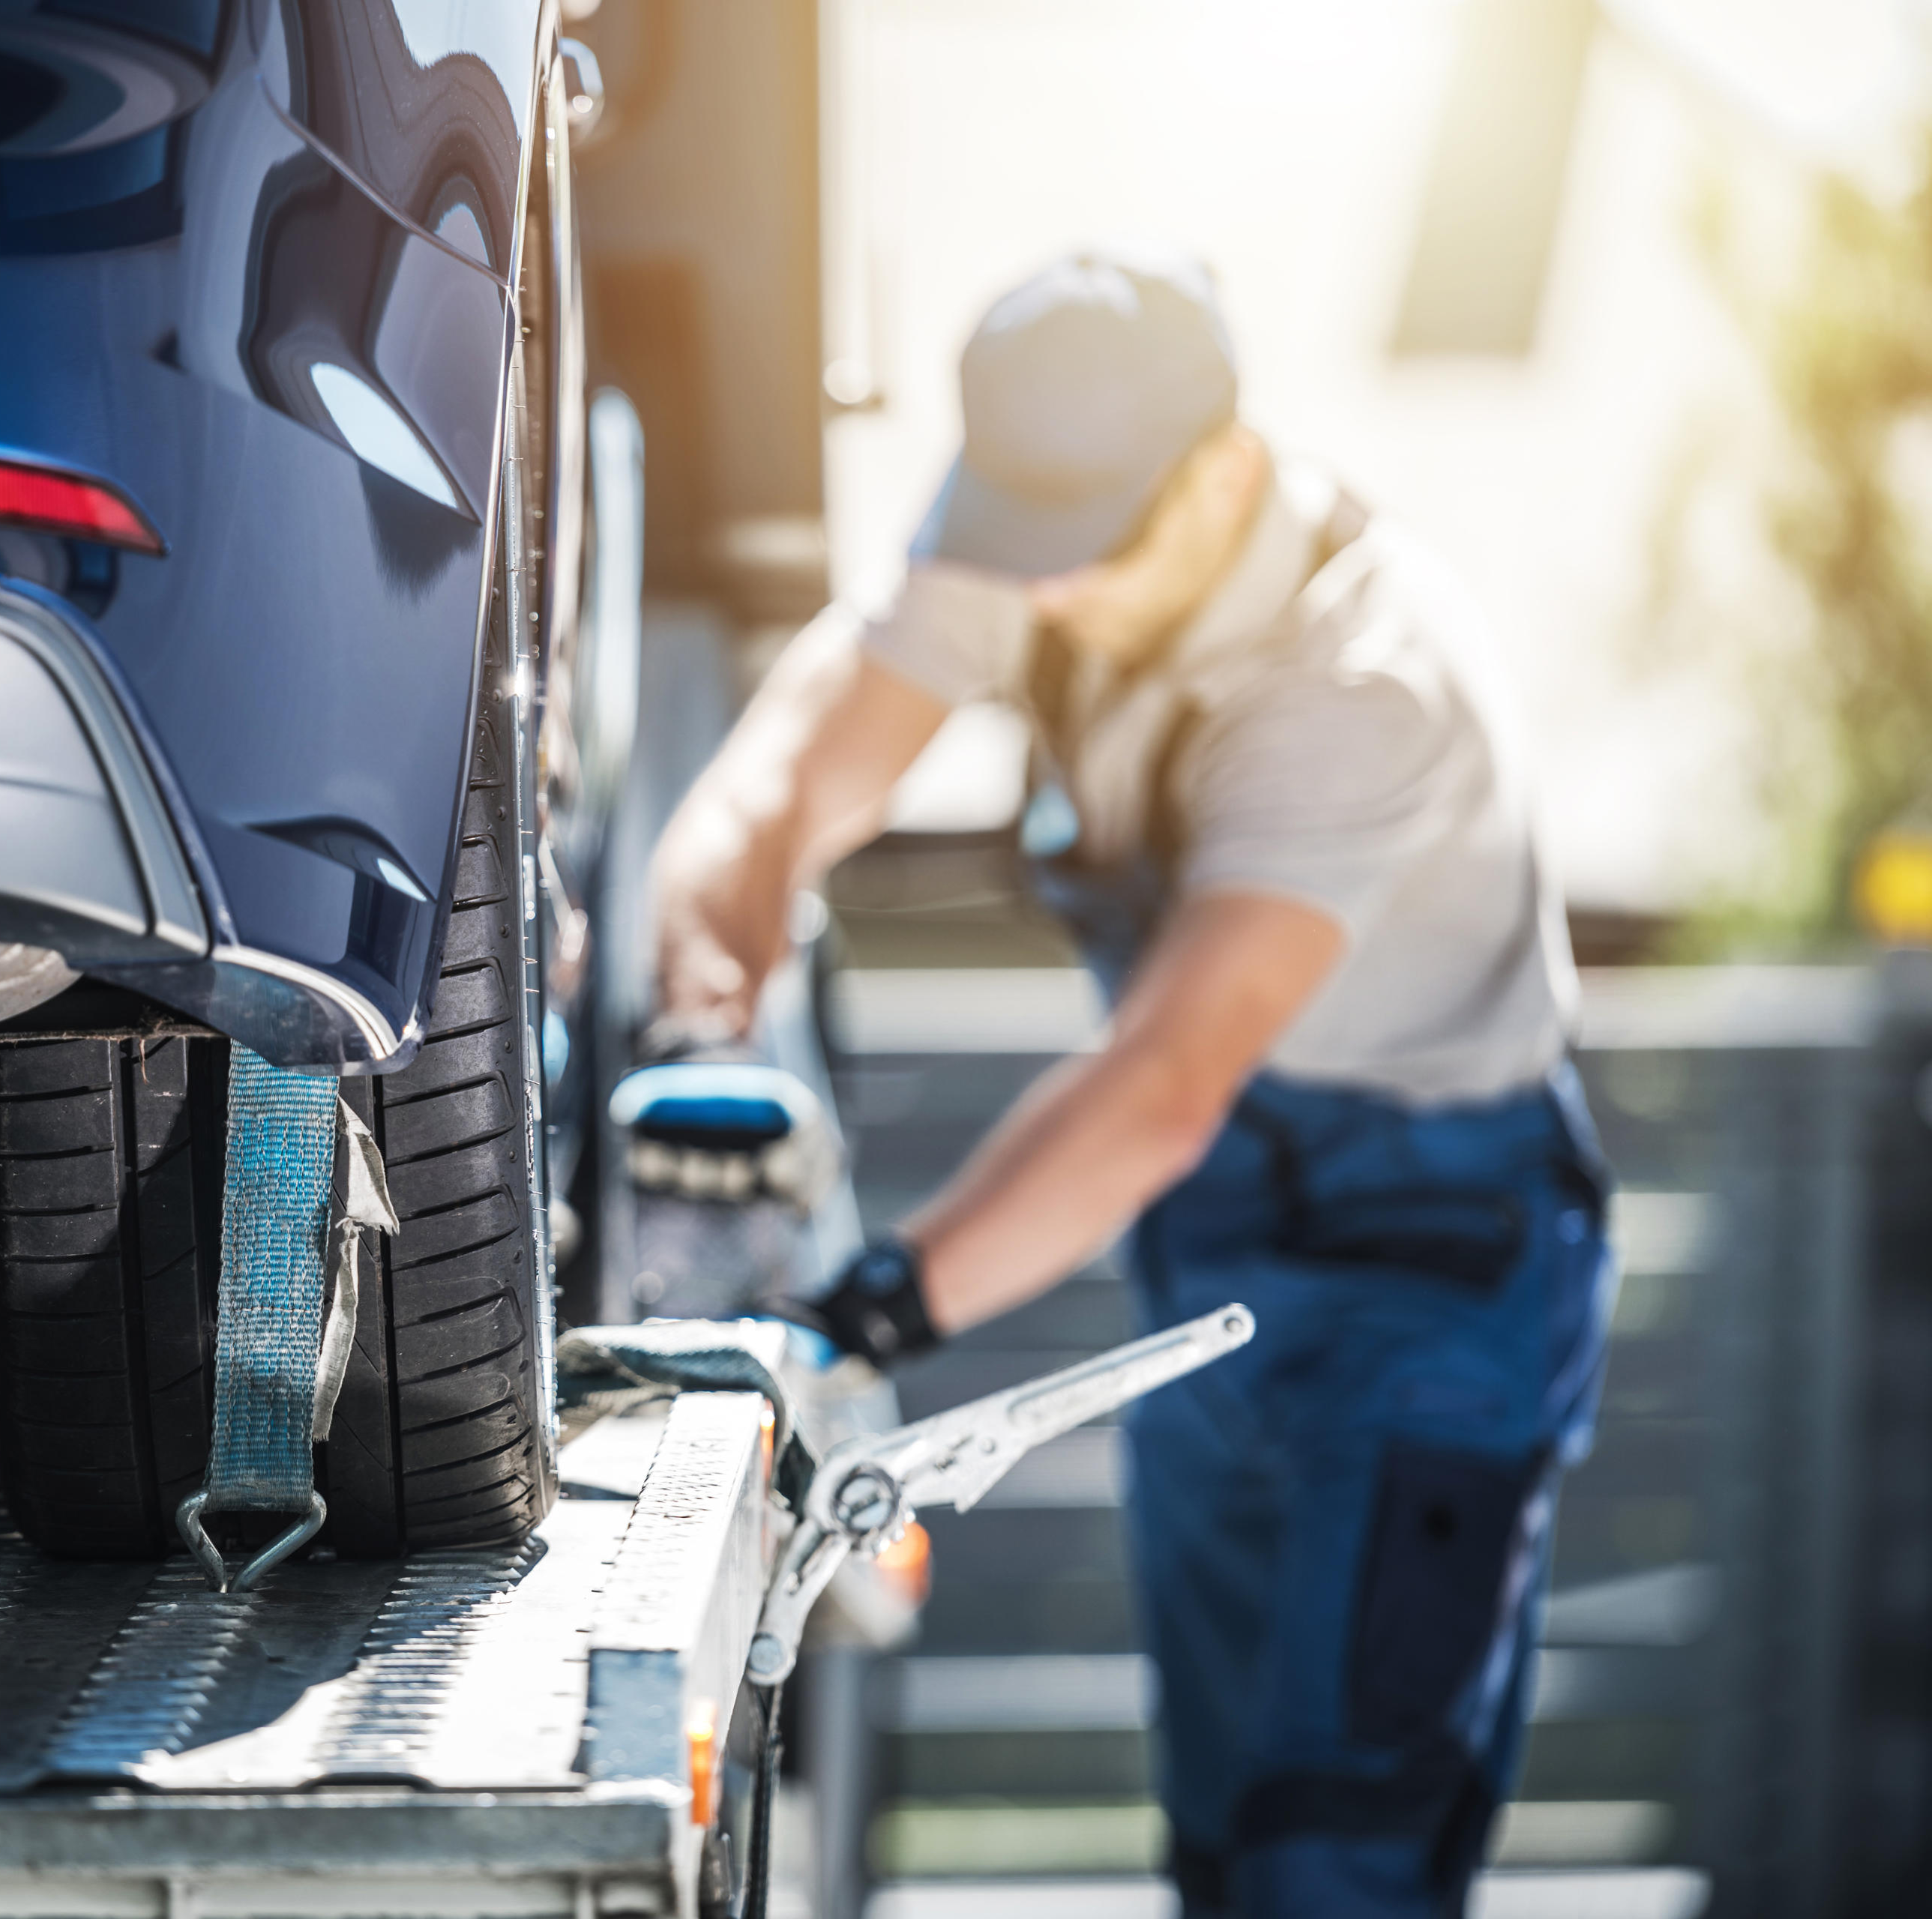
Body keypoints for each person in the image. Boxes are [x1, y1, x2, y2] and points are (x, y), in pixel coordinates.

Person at [645, 250, 1618, 1918]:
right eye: (1021, 550)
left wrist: (863, 1317)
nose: (1051, 598)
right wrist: (717, 929)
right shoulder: (1046, 522)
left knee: (1340, 1842)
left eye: (1086, 552)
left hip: (1431, 1265)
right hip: (1226, 1226)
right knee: (1229, 1808)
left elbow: (1164, 1078)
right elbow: (807, 758)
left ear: (1223, 473)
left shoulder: (1362, 684)